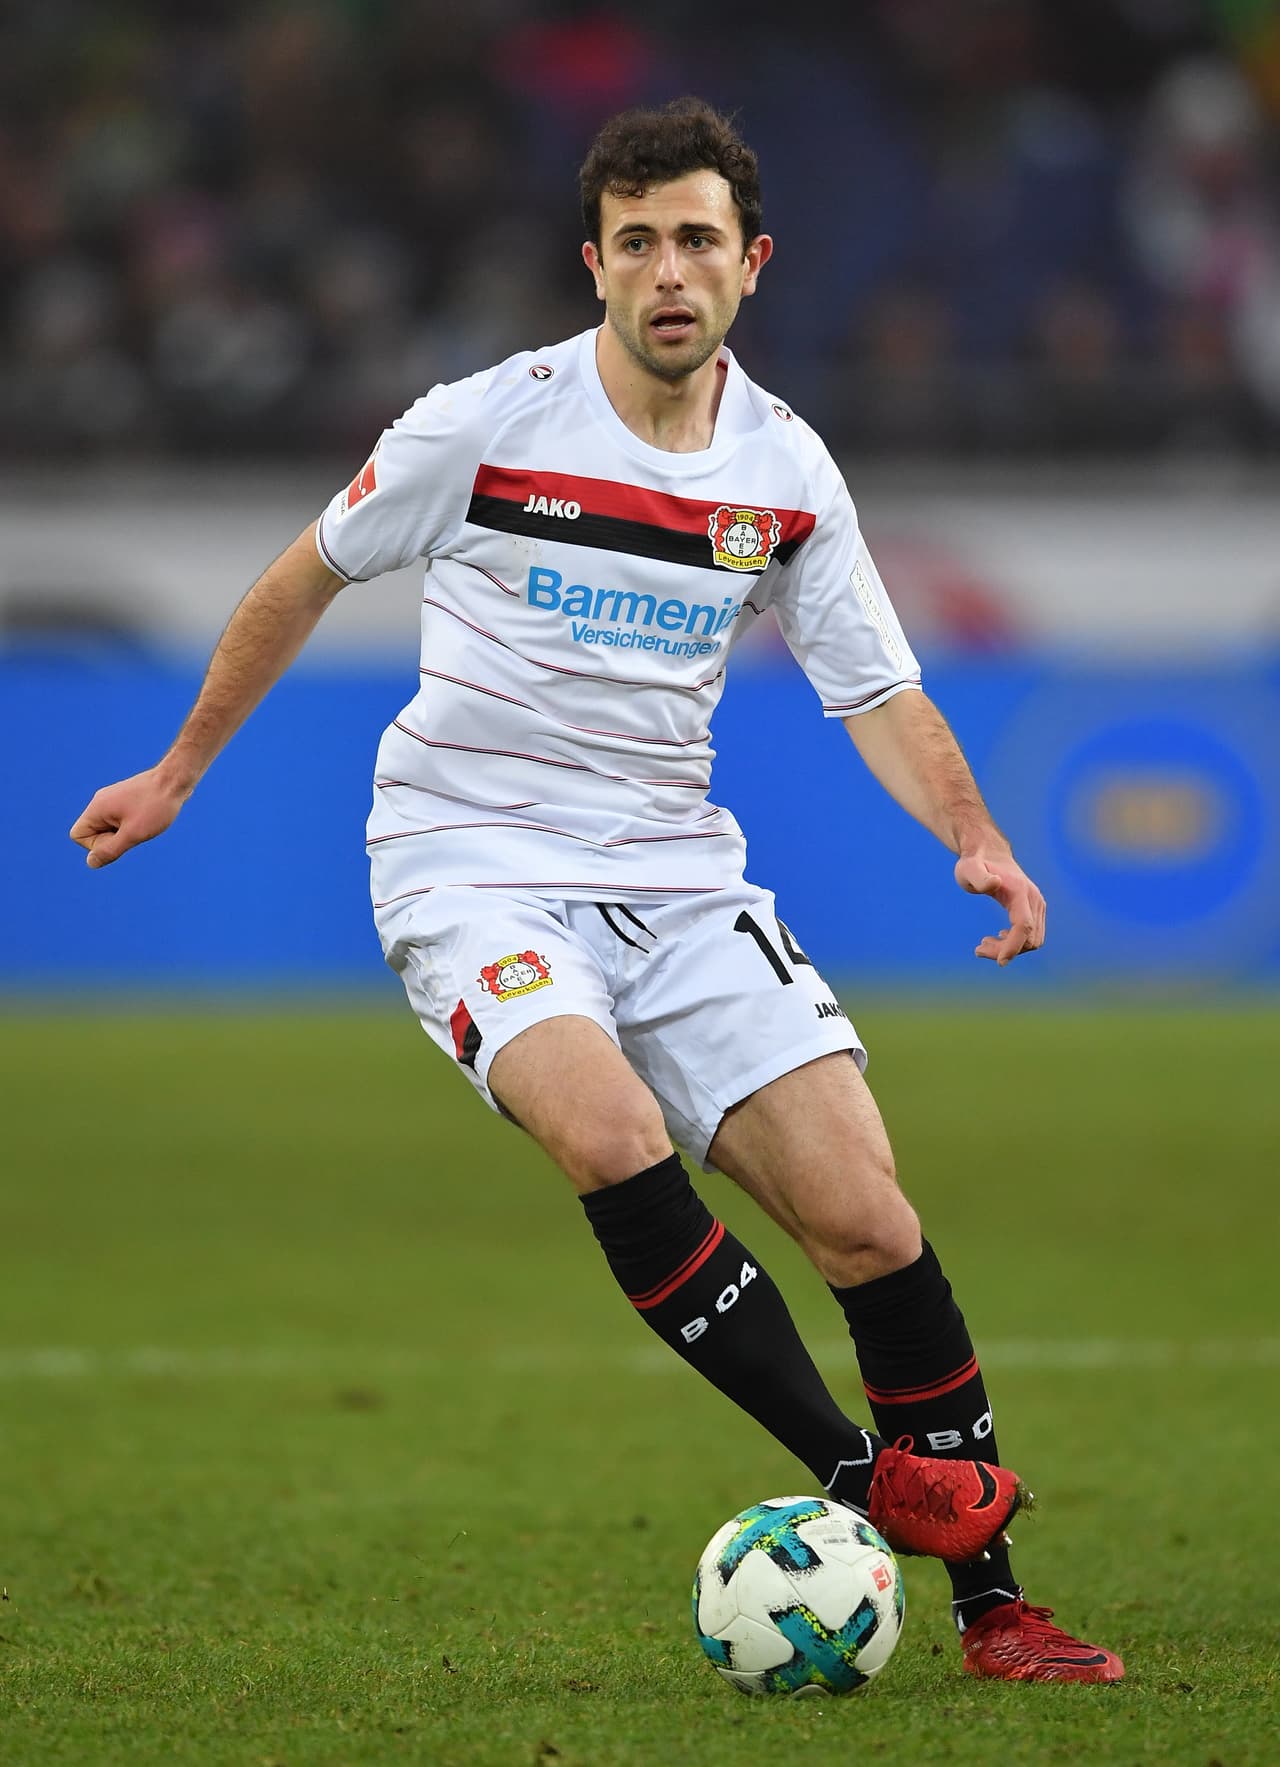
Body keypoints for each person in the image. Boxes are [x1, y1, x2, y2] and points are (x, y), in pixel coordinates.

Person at [71, 98, 1122, 1683]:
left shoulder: (786, 471)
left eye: (698, 240)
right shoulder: (485, 425)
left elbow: (877, 692)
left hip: (674, 871)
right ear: (597, 264)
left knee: (868, 1219)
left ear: (751, 265)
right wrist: (179, 769)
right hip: (468, 860)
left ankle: (1000, 1612)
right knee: (615, 1136)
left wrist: (971, 835)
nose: (668, 271)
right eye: (637, 243)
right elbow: (300, 576)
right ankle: (858, 1481)